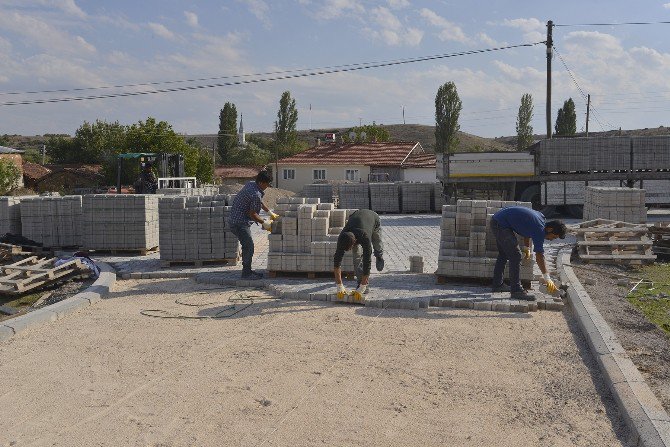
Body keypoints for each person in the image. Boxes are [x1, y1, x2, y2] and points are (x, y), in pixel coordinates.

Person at [489, 206, 566, 300]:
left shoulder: (541, 219)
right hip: (500, 224)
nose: (551, 240)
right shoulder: (540, 230)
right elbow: (540, 256)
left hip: (498, 220)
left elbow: (528, 229)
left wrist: (527, 247)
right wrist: (547, 278)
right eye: (553, 237)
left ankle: (497, 285)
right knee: (516, 256)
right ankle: (516, 291)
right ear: (550, 229)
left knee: (504, 254)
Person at [228, 171, 279, 279]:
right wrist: (264, 223)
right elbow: (253, 214)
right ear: (261, 182)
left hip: (235, 219)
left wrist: (269, 212)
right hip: (239, 223)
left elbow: (259, 202)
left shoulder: (251, 184)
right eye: (267, 184)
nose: (267, 186)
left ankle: (248, 271)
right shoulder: (255, 193)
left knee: (247, 245)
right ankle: (246, 273)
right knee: (248, 246)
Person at [333, 209, 385, 301]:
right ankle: (359, 281)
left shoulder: (364, 237)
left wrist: (363, 285)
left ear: (354, 242)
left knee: (377, 243)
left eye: (350, 248)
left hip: (373, 219)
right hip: (356, 218)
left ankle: (379, 255)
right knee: (356, 258)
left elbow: (367, 261)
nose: (348, 250)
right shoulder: (343, 237)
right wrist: (339, 285)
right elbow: (337, 262)